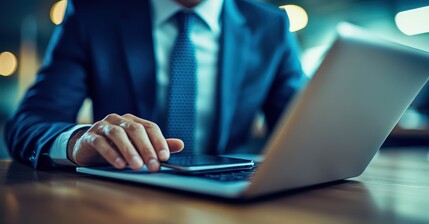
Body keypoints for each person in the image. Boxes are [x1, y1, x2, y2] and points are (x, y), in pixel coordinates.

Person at [5, 0, 305, 172]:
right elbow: (27, 124)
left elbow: (307, 128)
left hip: (234, 197)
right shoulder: (92, 14)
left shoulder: (272, 26)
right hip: (123, 199)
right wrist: (77, 142)